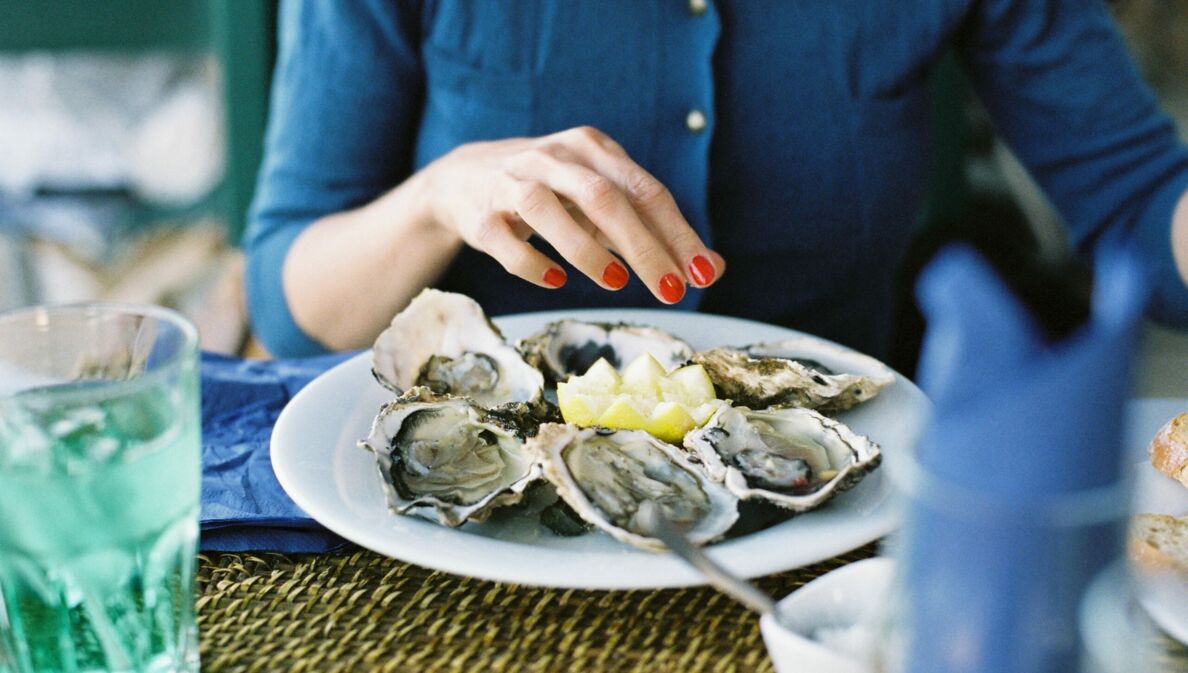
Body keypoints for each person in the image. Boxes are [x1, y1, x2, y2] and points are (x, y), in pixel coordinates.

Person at [245, 0, 1188, 361]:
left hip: (826, 538)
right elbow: (292, 303)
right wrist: (435, 197)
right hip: (465, 530)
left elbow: (1143, 205)